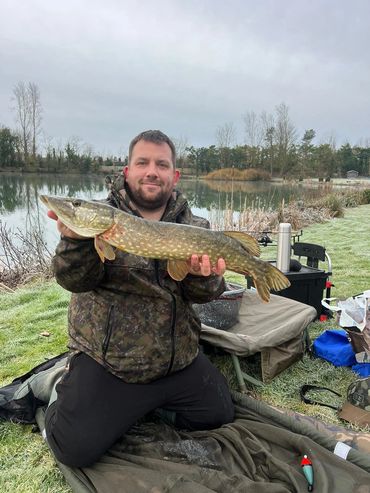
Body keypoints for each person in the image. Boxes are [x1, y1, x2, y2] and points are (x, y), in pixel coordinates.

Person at [44, 130, 234, 468]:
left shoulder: (195, 226)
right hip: (110, 361)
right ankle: (60, 384)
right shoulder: (100, 215)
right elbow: (74, 280)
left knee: (219, 414)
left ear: (174, 176)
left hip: (175, 358)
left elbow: (202, 295)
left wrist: (204, 276)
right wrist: (75, 242)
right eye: (142, 162)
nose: (151, 171)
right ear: (127, 171)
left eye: (162, 165)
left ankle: (144, 404)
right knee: (74, 449)